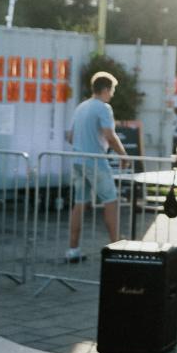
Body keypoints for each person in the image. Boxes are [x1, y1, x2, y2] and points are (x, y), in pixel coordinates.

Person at [65, 71, 128, 262]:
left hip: (77, 159)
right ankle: (116, 247)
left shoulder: (81, 107)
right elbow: (109, 134)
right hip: (95, 160)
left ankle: (73, 249)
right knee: (111, 201)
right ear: (106, 90)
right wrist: (123, 155)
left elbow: (70, 136)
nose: (112, 95)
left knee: (79, 203)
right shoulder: (103, 108)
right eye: (112, 91)